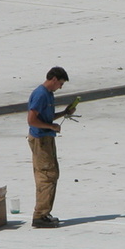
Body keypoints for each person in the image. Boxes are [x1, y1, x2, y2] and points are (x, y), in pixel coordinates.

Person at [27, 66, 76, 228]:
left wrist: (64, 113)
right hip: (41, 140)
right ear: (54, 79)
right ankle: (40, 215)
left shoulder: (48, 94)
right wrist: (51, 127)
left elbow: (47, 117)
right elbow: (32, 120)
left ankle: (44, 213)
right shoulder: (41, 94)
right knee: (46, 176)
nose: (60, 87)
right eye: (60, 83)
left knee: (52, 174)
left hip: (46, 138)